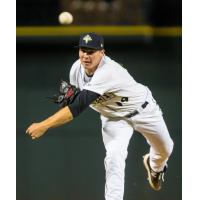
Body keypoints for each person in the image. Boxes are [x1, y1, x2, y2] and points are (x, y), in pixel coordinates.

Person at [26, 32, 174, 200]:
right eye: (83, 50)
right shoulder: (76, 69)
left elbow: (77, 107)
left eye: (91, 51)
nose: (85, 56)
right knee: (114, 156)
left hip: (144, 111)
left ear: (102, 53)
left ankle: (155, 167)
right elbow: (74, 99)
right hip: (114, 119)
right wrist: (69, 98)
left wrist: (44, 125)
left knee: (165, 148)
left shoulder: (108, 71)